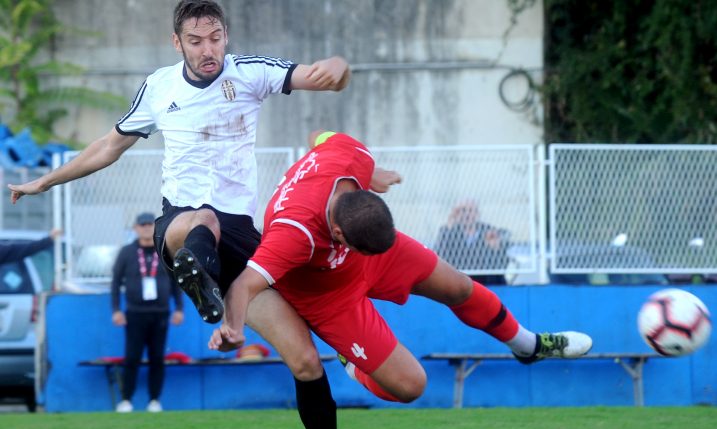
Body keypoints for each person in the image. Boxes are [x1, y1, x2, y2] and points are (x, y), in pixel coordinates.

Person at [8, 2, 360, 429]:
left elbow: (318, 75)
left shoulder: (251, 73)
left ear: (225, 35)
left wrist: (336, 68)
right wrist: (45, 181)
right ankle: (203, 286)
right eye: (196, 41)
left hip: (240, 238)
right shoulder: (159, 87)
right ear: (178, 43)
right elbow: (109, 146)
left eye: (215, 37)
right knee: (202, 221)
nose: (208, 49)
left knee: (304, 361)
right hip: (180, 226)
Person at [209, 130, 593, 407]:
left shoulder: (352, 158)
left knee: (458, 286)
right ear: (339, 233)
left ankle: (527, 346)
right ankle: (352, 362)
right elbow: (244, 285)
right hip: (326, 296)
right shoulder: (293, 234)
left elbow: (319, 137)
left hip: (367, 252)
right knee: (410, 387)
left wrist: (372, 173)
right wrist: (232, 328)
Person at [111, 212, 184, 413]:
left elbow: (176, 281)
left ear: (155, 227)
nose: (145, 228)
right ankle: (126, 399)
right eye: (141, 224)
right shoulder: (126, 252)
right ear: (135, 228)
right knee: (132, 357)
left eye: (149, 224)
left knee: (157, 358)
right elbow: (116, 283)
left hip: (160, 312)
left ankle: (154, 400)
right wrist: (116, 310)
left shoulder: (164, 251)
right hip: (135, 312)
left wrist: (178, 308)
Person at [435, 200, 510, 285]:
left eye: (470, 210)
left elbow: (503, 263)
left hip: (485, 280)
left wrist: (496, 248)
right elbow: (439, 255)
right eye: (462, 211)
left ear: (477, 213)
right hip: (458, 279)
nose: (467, 214)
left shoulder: (489, 231)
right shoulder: (449, 231)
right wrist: (450, 225)